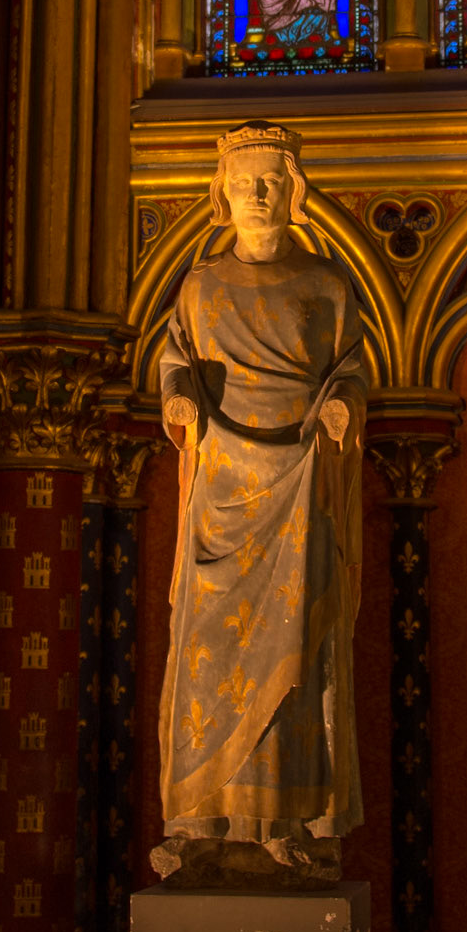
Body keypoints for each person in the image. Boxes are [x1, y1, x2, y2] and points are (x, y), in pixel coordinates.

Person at [155, 122, 367, 879]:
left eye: (271, 180)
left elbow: (349, 367)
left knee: (294, 651)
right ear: (222, 191)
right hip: (221, 490)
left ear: (293, 191)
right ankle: (199, 819)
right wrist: (178, 396)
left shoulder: (326, 286)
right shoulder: (200, 286)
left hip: (299, 486)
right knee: (206, 656)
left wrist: (340, 403)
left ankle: (285, 821)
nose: (257, 193)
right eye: (243, 180)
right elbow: (175, 357)